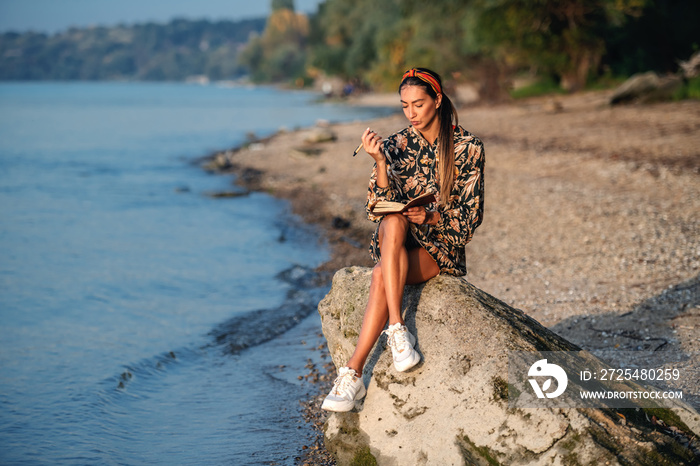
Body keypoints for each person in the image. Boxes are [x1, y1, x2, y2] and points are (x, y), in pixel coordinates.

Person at [321, 68, 485, 412]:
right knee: (392, 220)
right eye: (405, 105)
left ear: (437, 101)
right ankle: (396, 328)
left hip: (439, 246)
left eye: (419, 104)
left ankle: (354, 372)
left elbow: (470, 221)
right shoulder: (394, 145)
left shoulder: (469, 148)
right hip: (396, 241)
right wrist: (380, 161)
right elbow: (373, 208)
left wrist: (431, 216)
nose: (412, 113)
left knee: (381, 274)